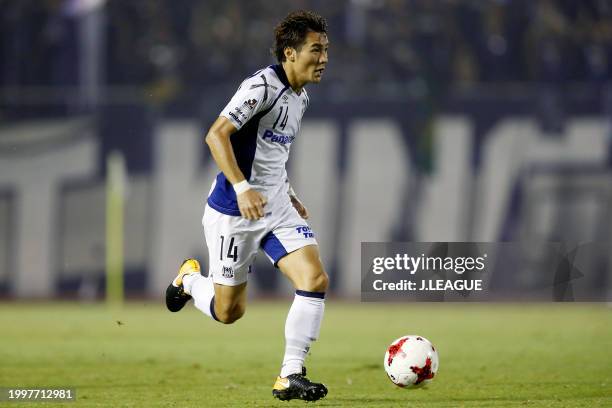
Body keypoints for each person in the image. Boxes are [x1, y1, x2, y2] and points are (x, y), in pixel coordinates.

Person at [165, 10, 330, 402]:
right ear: (290, 53)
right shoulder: (261, 87)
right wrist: (241, 188)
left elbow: (272, 152)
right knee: (228, 312)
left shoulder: (300, 98)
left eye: (326, 50)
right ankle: (189, 280)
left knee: (315, 280)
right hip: (234, 213)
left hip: (275, 208)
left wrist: (287, 192)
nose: (324, 58)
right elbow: (216, 135)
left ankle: (290, 374)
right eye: (316, 49)